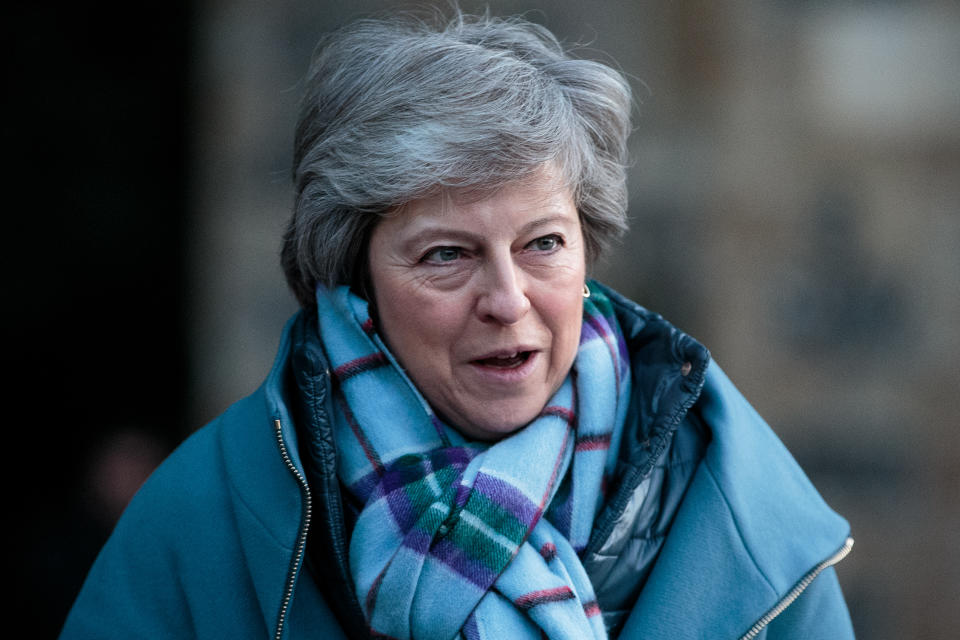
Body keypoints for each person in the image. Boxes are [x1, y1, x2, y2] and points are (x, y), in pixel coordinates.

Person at [60, 8, 855, 640]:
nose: (507, 298)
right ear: (357, 276)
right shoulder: (200, 523)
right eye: (447, 255)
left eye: (543, 243)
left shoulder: (745, 517)